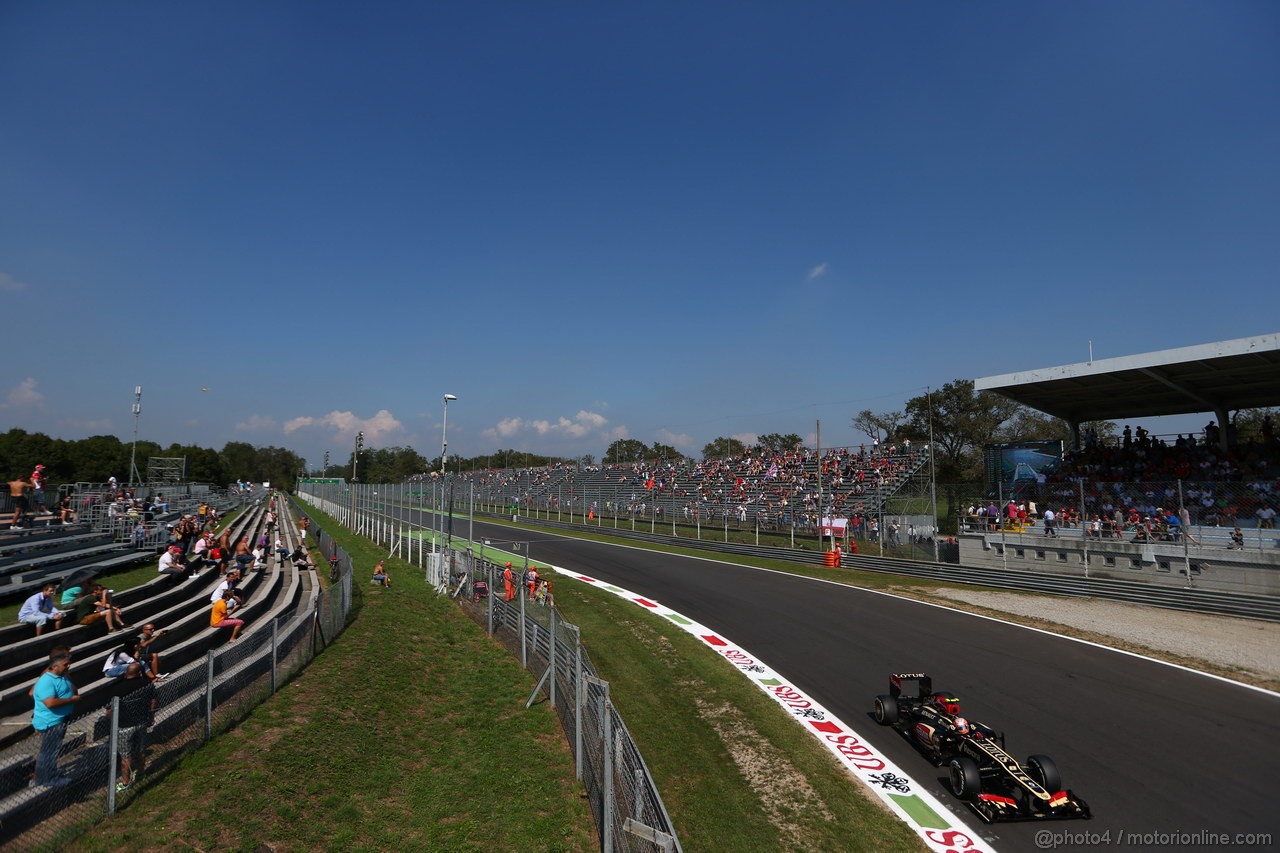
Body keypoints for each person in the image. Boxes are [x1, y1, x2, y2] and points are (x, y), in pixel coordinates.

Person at [32, 649, 78, 786]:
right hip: (51, 722)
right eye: (65, 665)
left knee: (53, 751)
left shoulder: (61, 676)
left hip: (59, 720)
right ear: (54, 666)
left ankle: (49, 773)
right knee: (48, 753)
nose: (68, 666)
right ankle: (47, 780)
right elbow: (50, 702)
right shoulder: (46, 681)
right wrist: (72, 699)